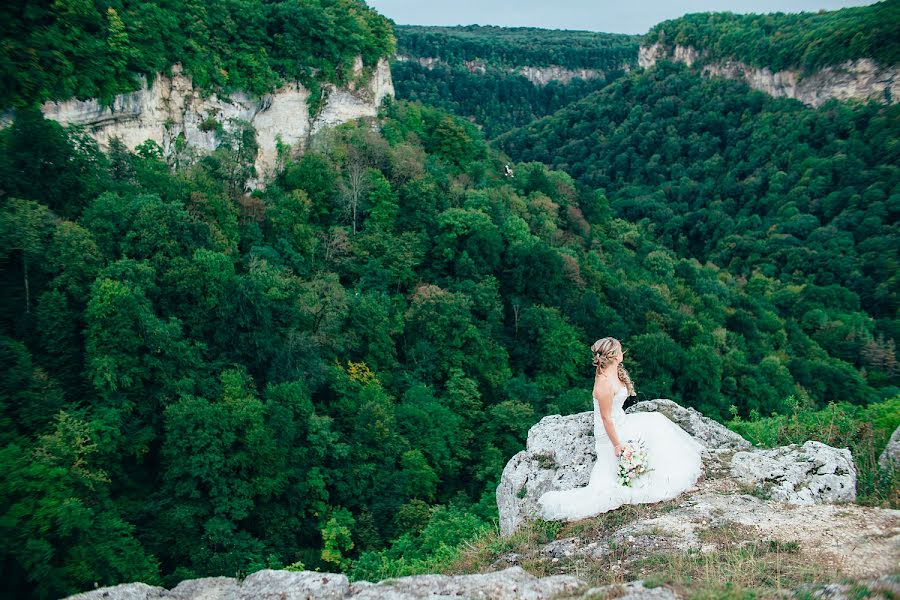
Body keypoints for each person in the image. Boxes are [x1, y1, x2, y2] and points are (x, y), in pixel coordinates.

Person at [536, 337, 705, 521]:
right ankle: (668, 483)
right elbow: (606, 418)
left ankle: (673, 476)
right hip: (610, 432)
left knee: (657, 422)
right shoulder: (604, 384)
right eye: (620, 350)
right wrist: (617, 445)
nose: (622, 352)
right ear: (614, 356)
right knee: (649, 438)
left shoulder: (611, 371)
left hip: (621, 421)